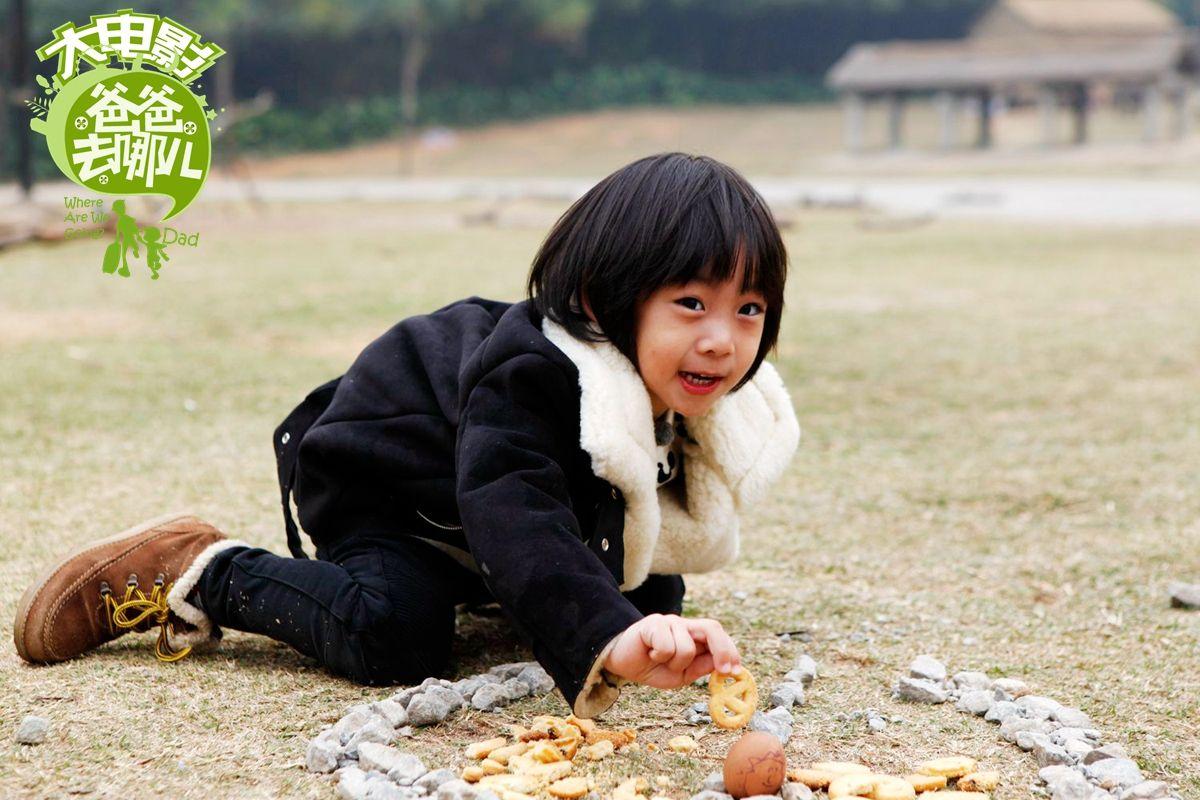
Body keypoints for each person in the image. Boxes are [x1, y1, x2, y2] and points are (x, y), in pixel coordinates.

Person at [13, 152, 800, 719]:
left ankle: (511, 596)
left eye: (750, 309)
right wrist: (602, 637)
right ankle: (203, 568)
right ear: (601, 301)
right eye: (691, 304)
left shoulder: (668, 385)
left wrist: (628, 619)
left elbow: (621, 520)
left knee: (652, 593)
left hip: (472, 512)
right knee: (395, 635)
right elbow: (514, 508)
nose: (723, 341)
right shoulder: (532, 372)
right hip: (390, 491)